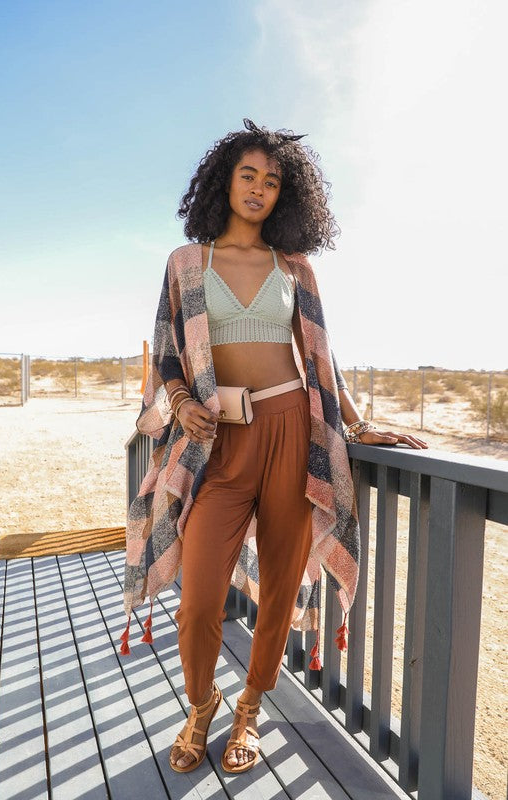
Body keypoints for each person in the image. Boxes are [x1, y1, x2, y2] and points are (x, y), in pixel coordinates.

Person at [120, 118, 428, 776]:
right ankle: (201, 704)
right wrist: (181, 401)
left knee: (282, 588)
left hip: (292, 431)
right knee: (199, 601)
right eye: (248, 175)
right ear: (224, 182)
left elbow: (321, 355)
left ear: (286, 195)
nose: (258, 188)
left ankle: (249, 708)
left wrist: (356, 424)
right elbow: (168, 353)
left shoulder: (295, 267)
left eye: (272, 180)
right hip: (219, 442)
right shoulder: (187, 263)